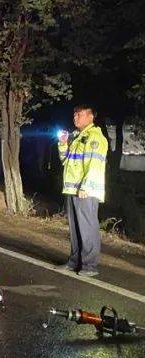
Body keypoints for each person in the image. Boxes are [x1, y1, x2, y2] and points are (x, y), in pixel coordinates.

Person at [58, 104, 108, 277]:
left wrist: (85, 187)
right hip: (73, 190)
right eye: (74, 115)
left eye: (79, 115)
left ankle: (89, 266)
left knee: (87, 229)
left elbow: (94, 165)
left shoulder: (95, 137)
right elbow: (65, 161)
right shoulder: (77, 137)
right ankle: (74, 262)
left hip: (86, 191)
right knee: (75, 229)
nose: (75, 118)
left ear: (90, 116)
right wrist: (63, 144)